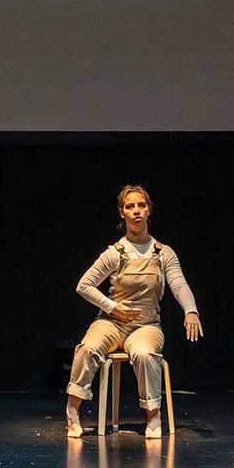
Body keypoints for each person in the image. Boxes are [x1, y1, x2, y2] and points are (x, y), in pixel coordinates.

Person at [65, 185, 203, 439]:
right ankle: (73, 410)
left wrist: (190, 311)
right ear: (122, 213)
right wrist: (111, 306)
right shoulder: (114, 253)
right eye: (130, 206)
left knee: (144, 353)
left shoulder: (163, 253)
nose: (136, 211)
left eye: (141, 205)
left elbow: (179, 284)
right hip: (112, 322)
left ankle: (153, 415)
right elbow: (84, 285)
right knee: (88, 348)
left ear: (149, 210)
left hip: (146, 324)